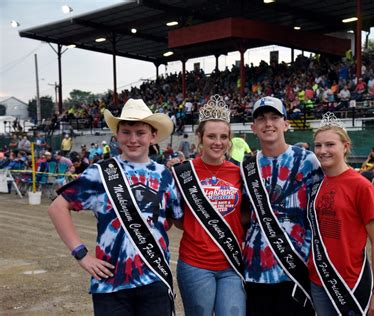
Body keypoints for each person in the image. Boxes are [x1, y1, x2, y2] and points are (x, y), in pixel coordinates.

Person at [48, 98, 181, 315]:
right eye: (126, 132)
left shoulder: (164, 175)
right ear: (117, 134)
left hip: (154, 277)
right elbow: (57, 208)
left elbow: (173, 220)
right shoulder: (99, 172)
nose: (133, 139)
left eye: (140, 132)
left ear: (153, 135)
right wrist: (82, 255)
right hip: (110, 283)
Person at [241, 96, 323, 316]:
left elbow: (321, 211)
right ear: (253, 127)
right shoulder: (247, 166)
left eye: (274, 117)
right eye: (261, 118)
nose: (268, 123)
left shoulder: (308, 161)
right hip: (255, 268)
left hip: (296, 267)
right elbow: (243, 214)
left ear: (286, 123)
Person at [171, 95, 247, 316]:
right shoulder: (183, 172)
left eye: (223, 136)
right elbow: (177, 219)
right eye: (211, 136)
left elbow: (245, 215)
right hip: (195, 264)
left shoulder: (240, 172)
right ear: (200, 138)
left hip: (231, 263)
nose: (218, 142)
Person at [308, 112, 374, 316]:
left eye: (330, 144)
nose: (323, 150)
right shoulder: (315, 185)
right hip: (318, 280)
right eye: (318, 145)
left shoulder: (361, 186)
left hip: (350, 282)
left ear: (345, 146)